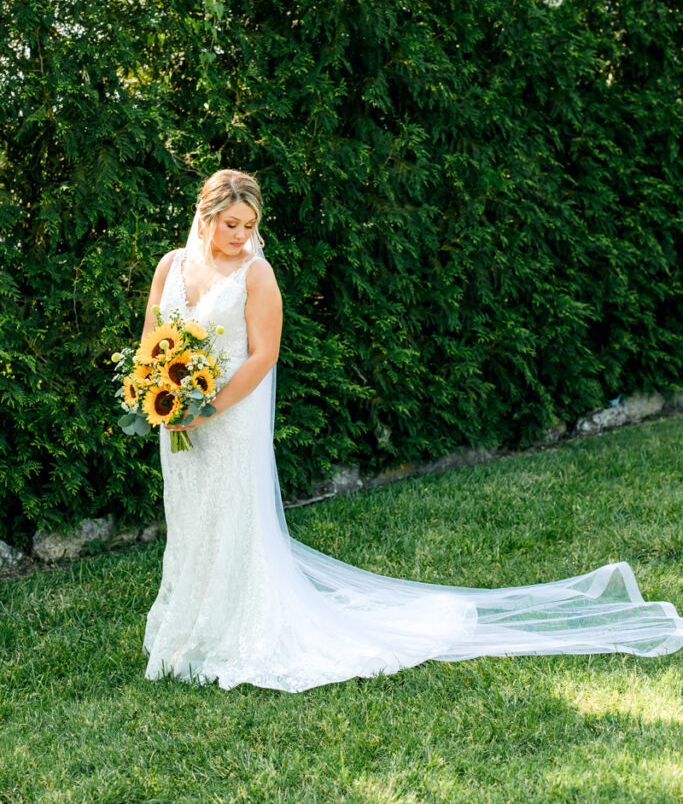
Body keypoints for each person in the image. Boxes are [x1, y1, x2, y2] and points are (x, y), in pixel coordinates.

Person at [141, 168, 683, 693]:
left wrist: (209, 407)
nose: (241, 236)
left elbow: (264, 356)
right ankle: (186, 629)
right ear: (204, 215)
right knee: (190, 517)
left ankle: (231, 630)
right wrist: (154, 392)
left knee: (234, 519)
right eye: (231, 224)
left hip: (230, 417)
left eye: (249, 226)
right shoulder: (170, 266)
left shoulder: (256, 274)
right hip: (179, 421)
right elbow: (152, 339)